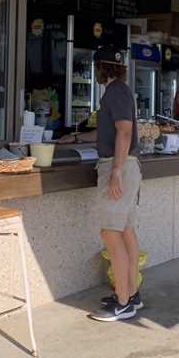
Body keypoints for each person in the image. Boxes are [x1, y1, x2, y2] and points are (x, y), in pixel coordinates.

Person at [58, 45, 142, 321]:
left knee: (110, 234)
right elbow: (111, 129)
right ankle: (130, 293)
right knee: (125, 230)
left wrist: (116, 171)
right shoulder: (120, 91)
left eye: (95, 68)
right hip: (127, 166)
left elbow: (125, 131)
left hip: (119, 168)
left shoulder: (115, 91)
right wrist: (77, 137)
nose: (94, 72)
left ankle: (122, 303)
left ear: (101, 68)